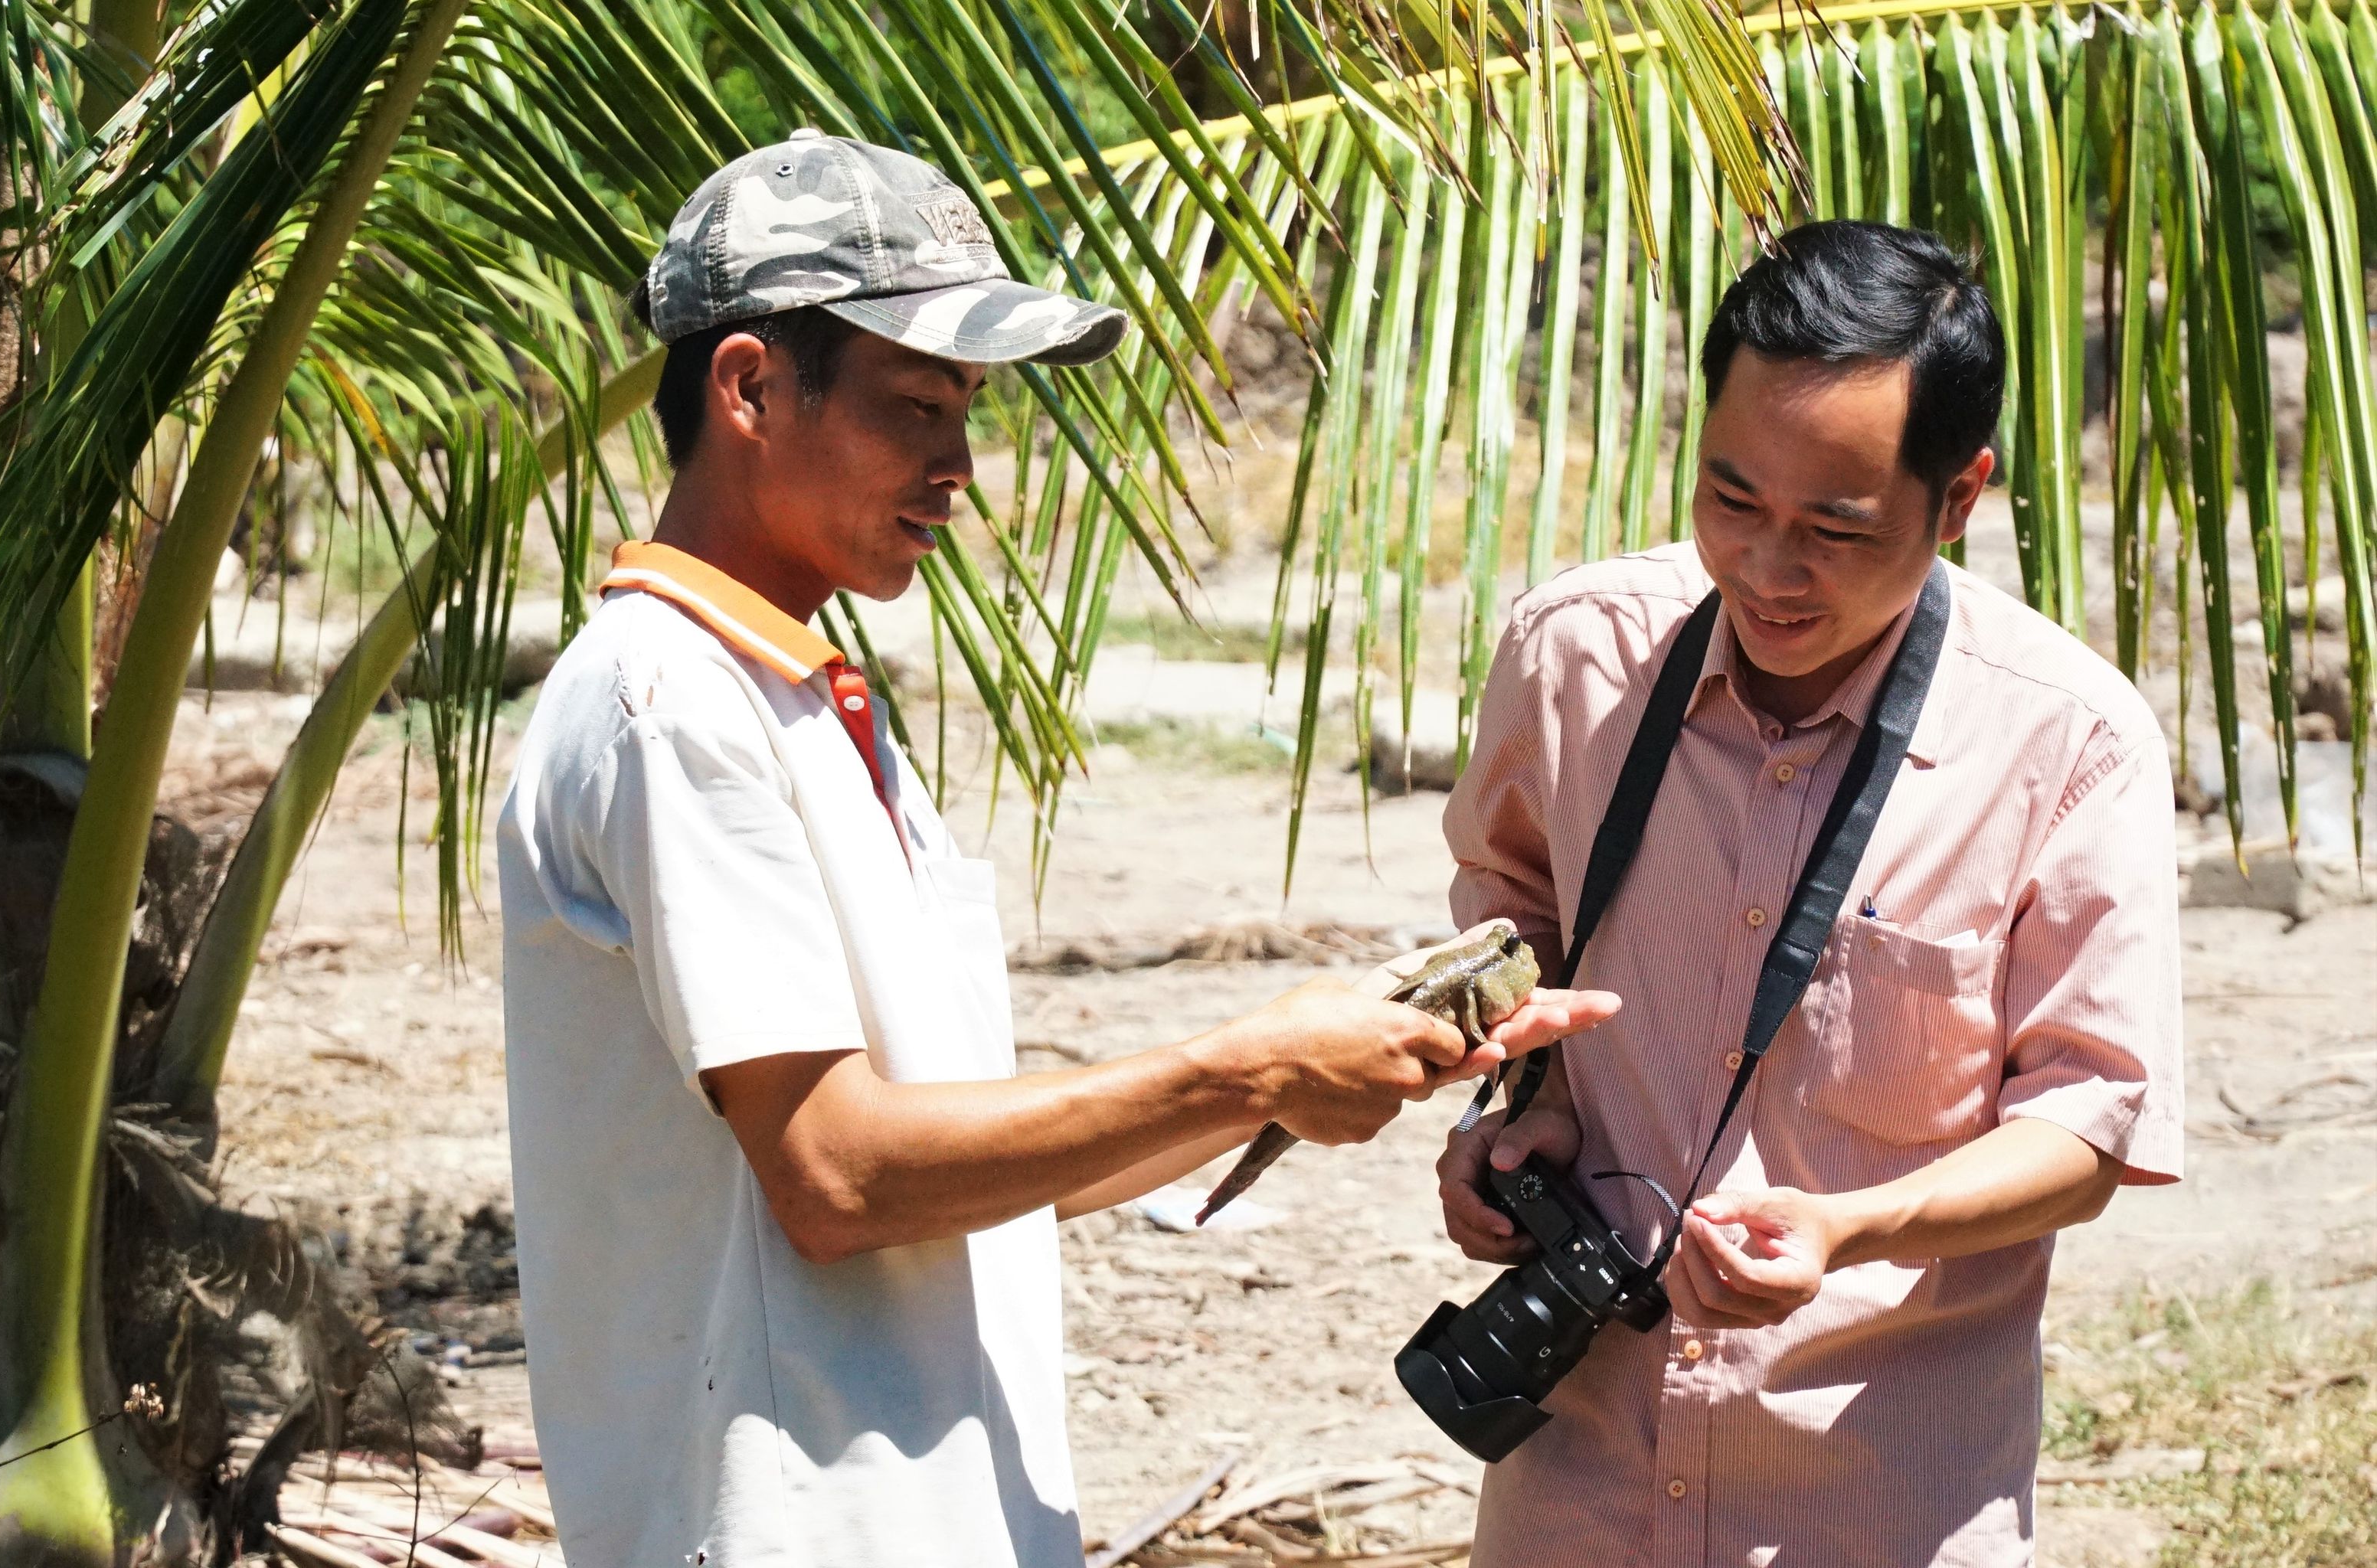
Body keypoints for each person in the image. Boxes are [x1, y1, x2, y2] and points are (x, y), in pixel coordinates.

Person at [495, 130, 1610, 1568]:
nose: (958, 467)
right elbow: (838, 1177)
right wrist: (1245, 1069)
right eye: (916, 406)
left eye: (967, 412)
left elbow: (969, 1161)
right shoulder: (671, 709)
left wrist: (1315, 1059)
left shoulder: (788, 697)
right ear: (752, 388)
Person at [1434, 220, 2182, 1566]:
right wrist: (1525, 1102)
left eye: (1838, 528)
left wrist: (1851, 1227)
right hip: (1578, 1485)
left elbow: (2088, 1127)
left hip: (1879, 1495)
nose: (1768, 572)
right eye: (1732, 501)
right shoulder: (1575, 657)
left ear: (1960, 498)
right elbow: (1513, 923)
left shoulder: (2071, 744)